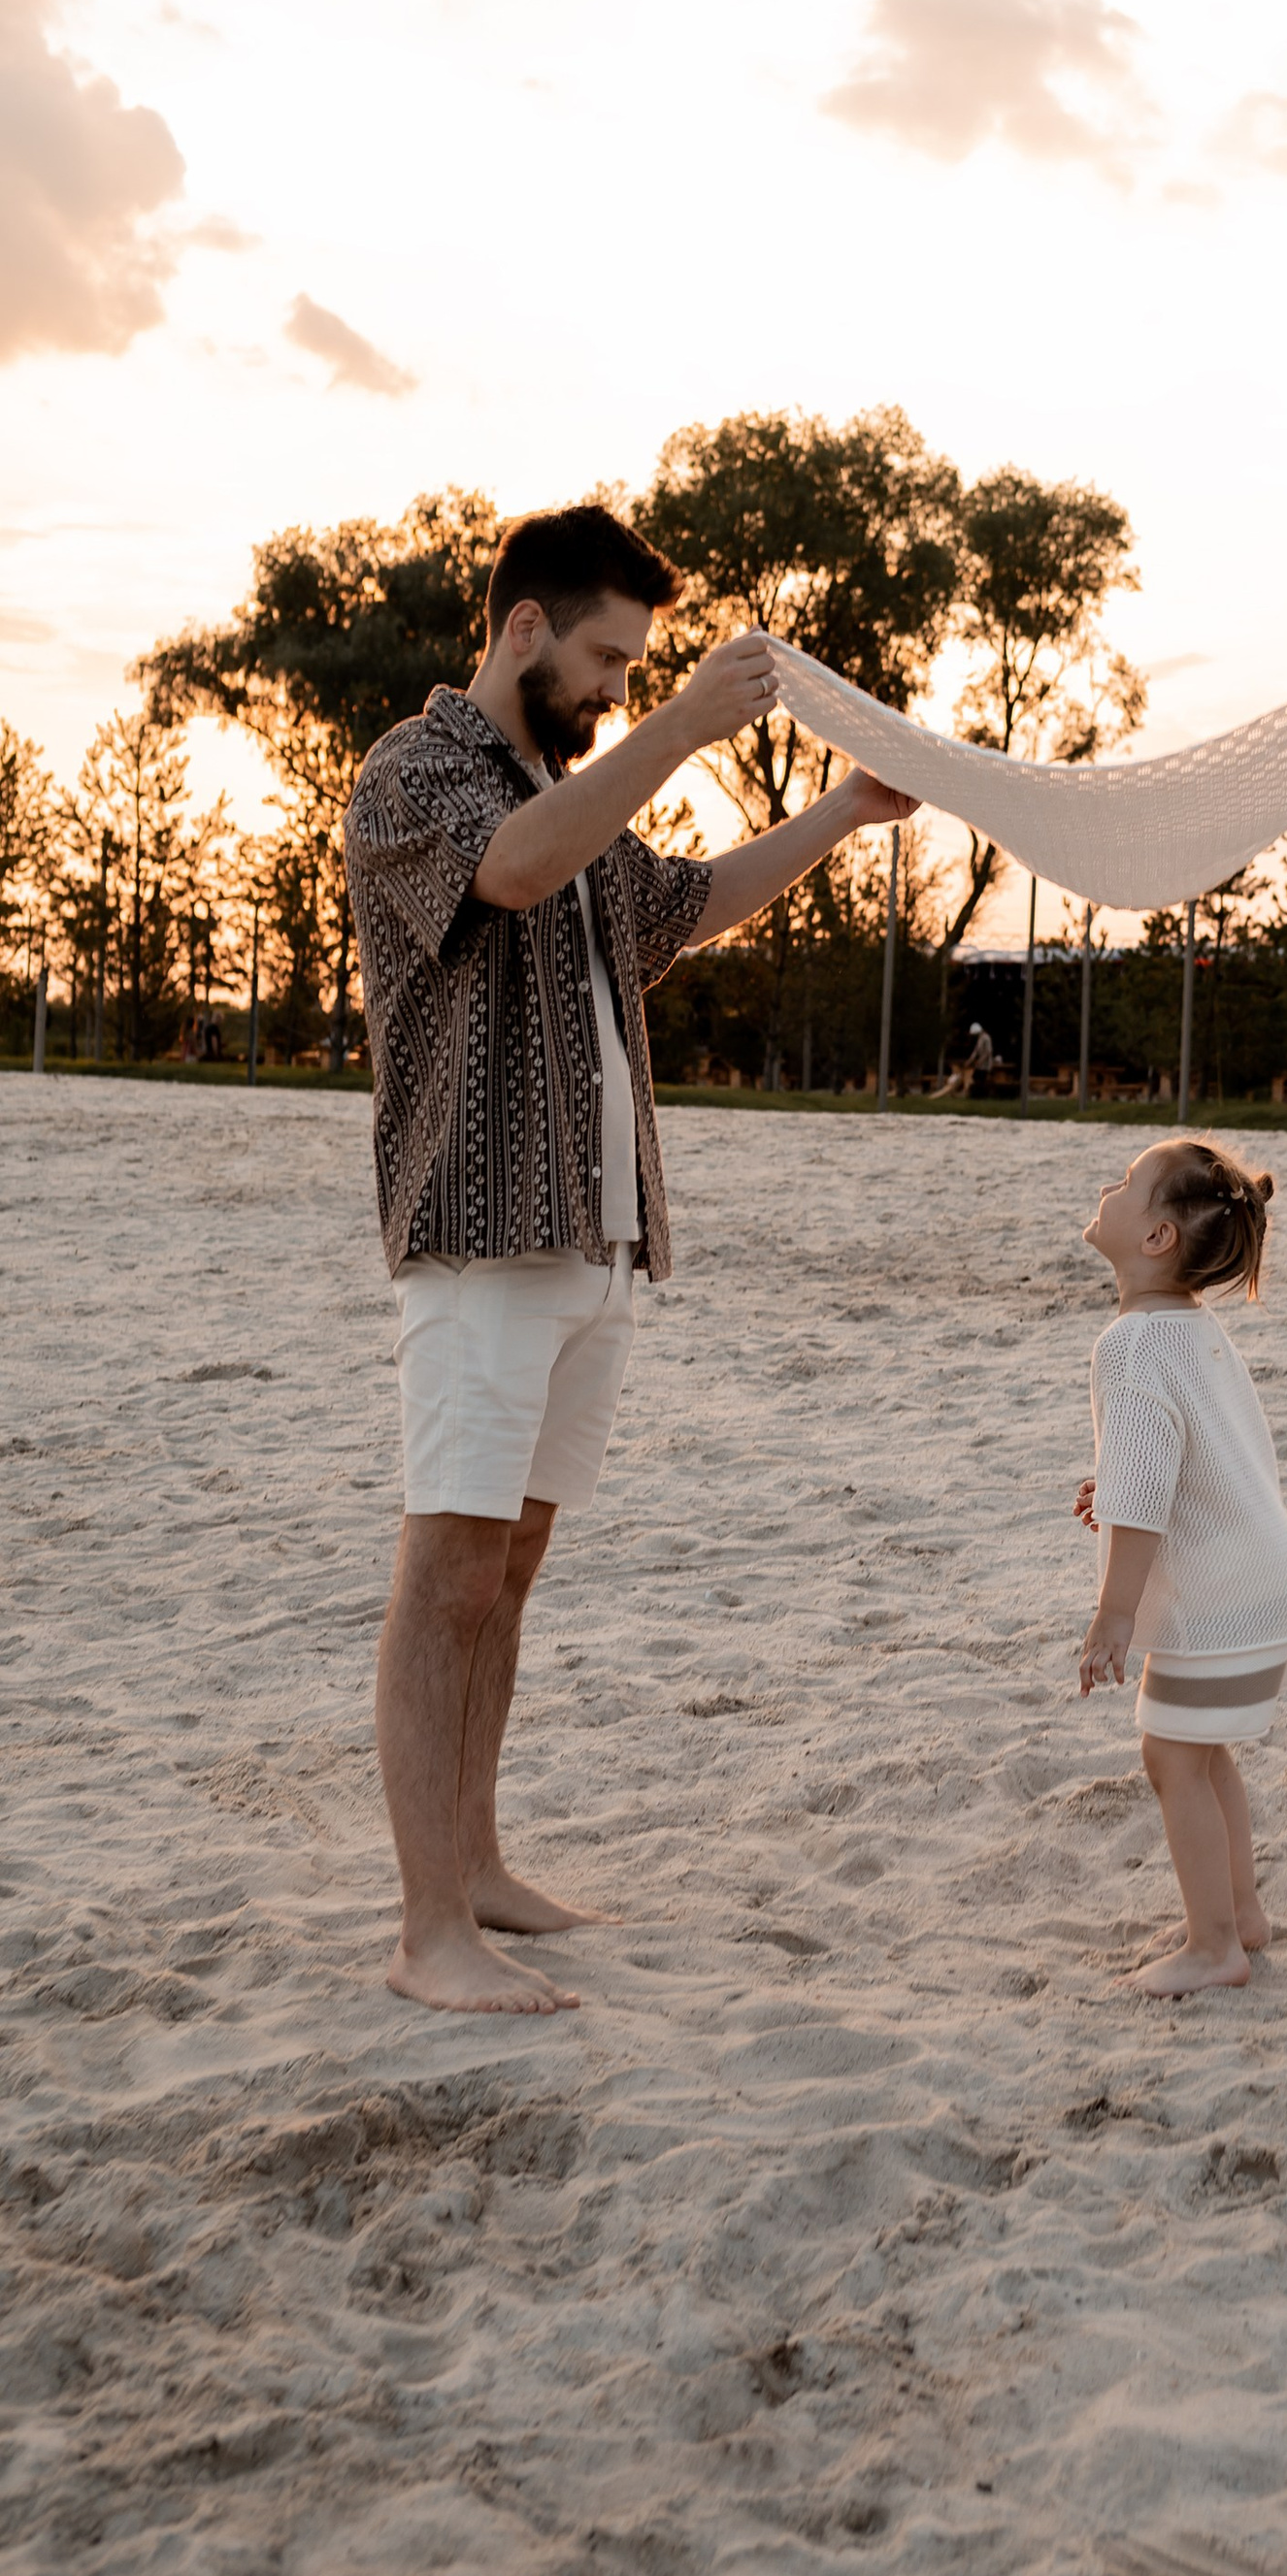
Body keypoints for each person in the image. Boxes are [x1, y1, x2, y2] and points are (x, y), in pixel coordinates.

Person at [344, 499, 914, 2017]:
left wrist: (839, 819)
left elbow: (681, 908)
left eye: (632, 668)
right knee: (447, 1573)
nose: (613, 689)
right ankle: (425, 1936)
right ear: (523, 627)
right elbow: (514, 874)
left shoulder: (564, 789)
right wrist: (675, 727)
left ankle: (473, 1867)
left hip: (594, 1239)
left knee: (511, 1574)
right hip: (478, 1237)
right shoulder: (419, 774)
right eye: (604, 657)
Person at [1072, 1141, 1287, 1998]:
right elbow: (1183, 1459)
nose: (1108, 1188)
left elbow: (1144, 1498)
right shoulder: (1192, 1332)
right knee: (1203, 1754)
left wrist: (1114, 1617)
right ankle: (1240, 1914)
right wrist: (1110, 1487)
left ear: (1157, 1240)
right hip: (1269, 1587)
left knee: (1172, 1758)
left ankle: (1216, 1946)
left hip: (1222, 1604)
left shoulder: (1131, 1345)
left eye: (1127, 1185)